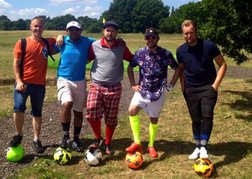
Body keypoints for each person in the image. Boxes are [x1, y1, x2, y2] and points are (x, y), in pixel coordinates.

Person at [125, 28, 181, 158]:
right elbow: (129, 67)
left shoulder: (165, 54)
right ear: (145, 39)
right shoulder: (139, 53)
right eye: (148, 38)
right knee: (132, 110)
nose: (150, 40)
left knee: (153, 118)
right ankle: (137, 142)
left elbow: (177, 68)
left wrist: (171, 84)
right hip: (142, 90)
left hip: (158, 92)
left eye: (153, 37)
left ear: (158, 38)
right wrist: (133, 84)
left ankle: (151, 145)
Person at [176, 20, 227, 159]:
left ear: (196, 31)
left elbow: (222, 64)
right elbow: (181, 69)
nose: (189, 36)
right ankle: (197, 146)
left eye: (191, 32)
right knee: (195, 119)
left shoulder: (209, 46)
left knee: (207, 115)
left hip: (208, 87)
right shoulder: (180, 50)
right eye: (186, 33)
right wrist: (183, 87)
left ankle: (204, 146)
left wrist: (215, 86)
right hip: (190, 89)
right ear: (182, 34)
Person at [10, 16, 57, 153]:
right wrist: (18, 81)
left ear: (44, 28)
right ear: (30, 27)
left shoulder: (47, 43)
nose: (38, 28)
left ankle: (36, 140)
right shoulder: (22, 42)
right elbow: (16, 63)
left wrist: (60, 38)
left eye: (40, 26)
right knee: (18, 108)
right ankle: (19, 135)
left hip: (39, 85)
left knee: (37, 113)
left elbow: (61, 41)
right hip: (23, 83)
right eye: (35, 26)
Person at [86, 20, 133, 155]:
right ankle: (98, 137)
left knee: (111, 118)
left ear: (116, 33)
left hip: (114, 87)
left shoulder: (121, 47)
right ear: (103, 31)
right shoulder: (94, 45)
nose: (109, 33)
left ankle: (107, 143)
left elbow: (132, 59)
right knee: (91, 110)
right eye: (107, 30)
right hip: (97, 85)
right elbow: (86, 59)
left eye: (112, 30)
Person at [55, 21, 95, 152]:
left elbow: (103, 42)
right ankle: (66, 136)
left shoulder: (87, 41)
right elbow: (47, 45)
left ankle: (76, 139)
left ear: (81, 30)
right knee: (67, 104)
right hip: (64, 78)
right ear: (67, 31)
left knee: (78, 111)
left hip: (80, 81)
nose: (73, 32)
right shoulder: (63, 41)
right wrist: (59, 36)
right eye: (70, 30)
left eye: (76, 30)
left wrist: (119, 41)